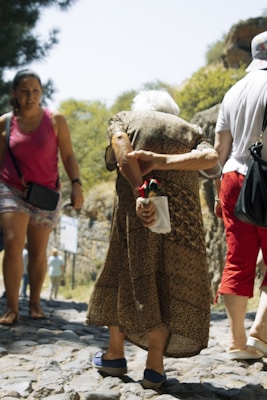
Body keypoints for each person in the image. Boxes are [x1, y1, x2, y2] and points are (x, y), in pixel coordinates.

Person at [86, 90, 220, 389]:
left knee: (125, 275)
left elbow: (120, 146)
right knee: (166, 285)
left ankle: (115, 355)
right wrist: (165, 160)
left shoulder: (126, 119)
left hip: (138, 214)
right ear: (172, 110)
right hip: (182, 222)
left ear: (141, 109)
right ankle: (154, 369)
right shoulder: (190, 130)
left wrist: (140, 191)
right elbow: (211, 159)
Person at [0, 69, 84, 325]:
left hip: (45, 194)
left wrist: (76, 184)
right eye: (24, 91)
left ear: (42, 92)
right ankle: (12, 307)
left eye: (36, 91)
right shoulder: (4, 123)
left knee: (37, 250)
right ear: (14, 93)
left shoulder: (55, 120)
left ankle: (34, 303)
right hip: (11, 189)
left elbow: (68, 156)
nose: (30, 96)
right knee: (14, 243)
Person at [214, 31, 267, 360]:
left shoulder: (233, 91)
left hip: (233, 178)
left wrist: (221, 186)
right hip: (265, 178)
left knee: (237, 260)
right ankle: (260, 333)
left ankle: (236, 342)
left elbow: (221, 146)